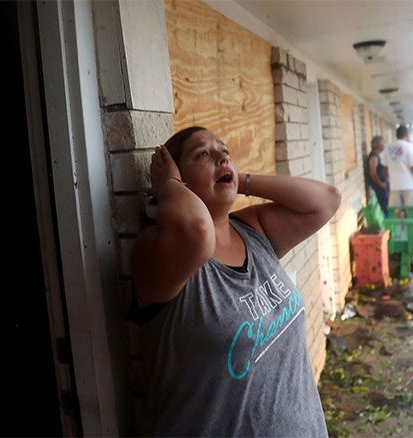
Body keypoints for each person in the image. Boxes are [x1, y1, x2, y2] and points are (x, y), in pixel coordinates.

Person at [130, 126, 340, 436]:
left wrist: (236, 179)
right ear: (179, 180)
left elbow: (326, 200)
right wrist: (169, 185)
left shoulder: (253, 231)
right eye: (203, 154)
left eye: (224, 151)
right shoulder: (159, 252)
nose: (222, 156)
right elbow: (198, 233)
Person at [383, 125, 413, 211]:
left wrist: (393, 178)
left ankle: (399, 225)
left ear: (396, 135)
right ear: (406, 134)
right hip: (410, 186)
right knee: (410, 213)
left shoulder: (388, 148)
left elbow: (385, 170)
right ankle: (409, 225)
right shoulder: (409, 147)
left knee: (396, 214)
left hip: (394, 187)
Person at [366, 135, 389, 212]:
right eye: (383, 144)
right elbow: (373, 173)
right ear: (379, 145)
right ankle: (387, 222)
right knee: (385, 208)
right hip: (380, 188)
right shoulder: (374, 156)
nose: (384, 146)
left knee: (386, 206)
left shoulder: (377, 155)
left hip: (382, 187)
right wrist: (381, 184)